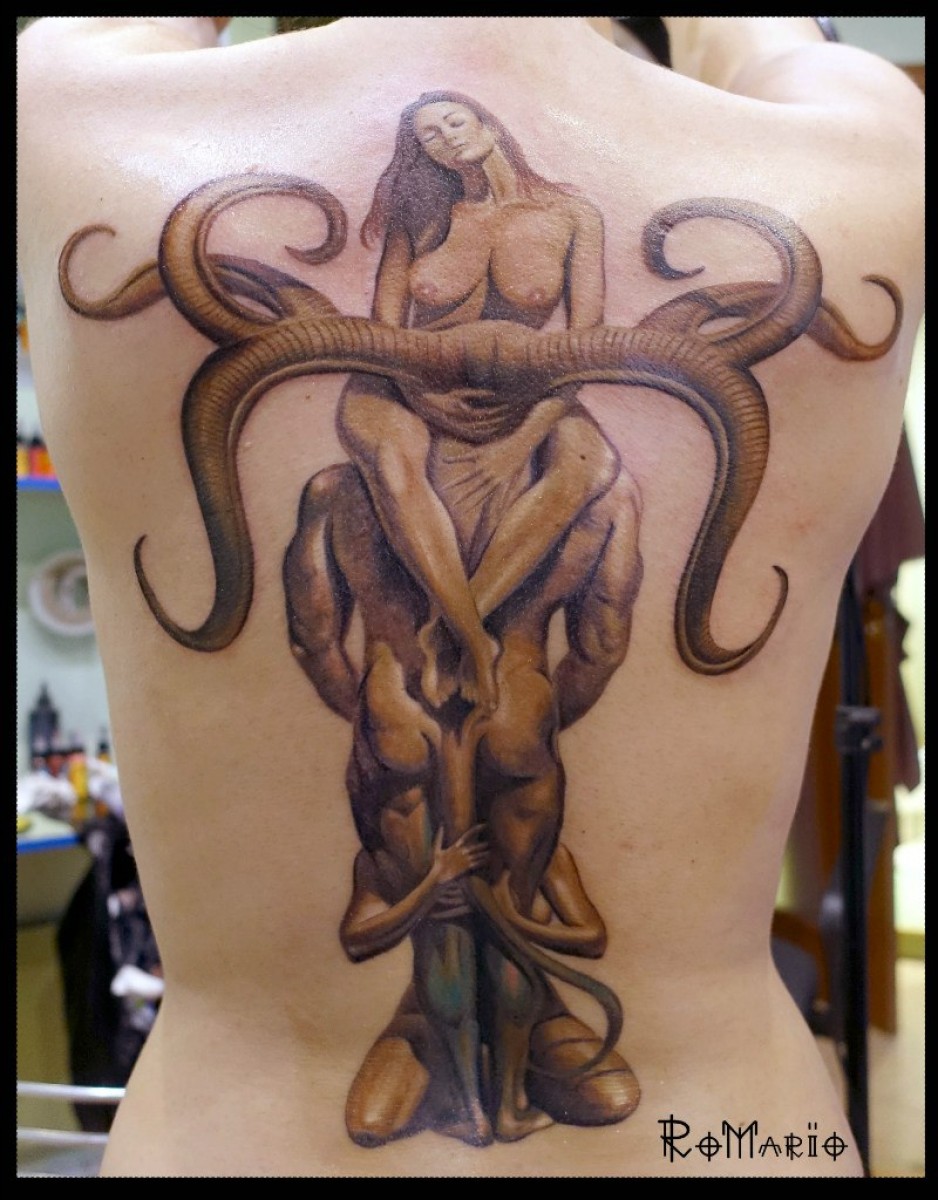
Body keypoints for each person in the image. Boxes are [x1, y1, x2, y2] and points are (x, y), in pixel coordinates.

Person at [16, 17, 923, 1179]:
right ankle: (434, 1001)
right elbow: (755, 37)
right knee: (402, 730)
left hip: (239, 1147)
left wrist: (534, 409)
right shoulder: (856, 152)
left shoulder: (78, 110)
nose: (447, 127)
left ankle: (531, 987)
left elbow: (584, 349)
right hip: (720, 1143)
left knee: (518, 722)